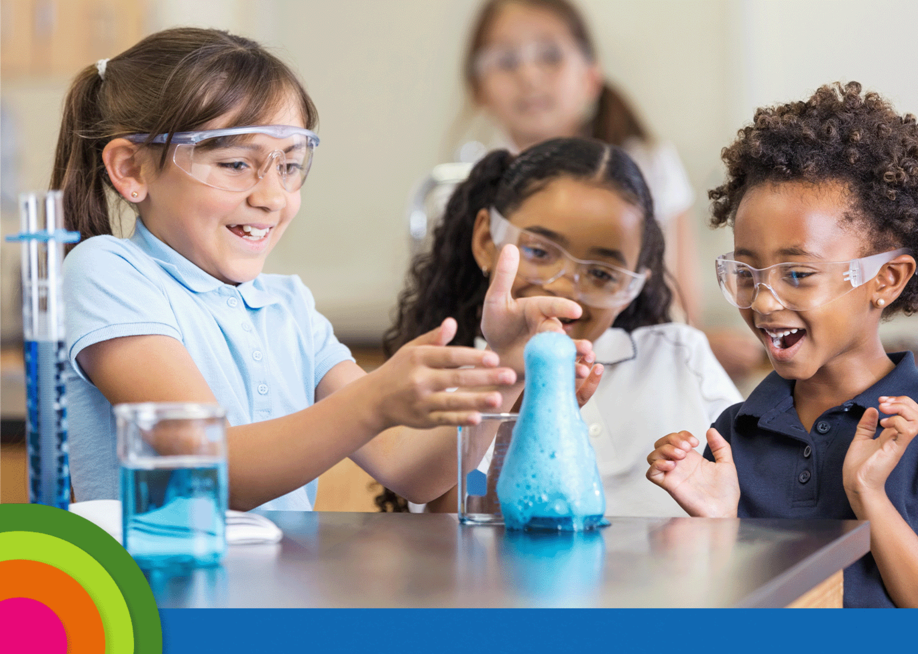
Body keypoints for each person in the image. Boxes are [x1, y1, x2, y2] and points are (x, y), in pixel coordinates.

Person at [55, 27, 594, 512]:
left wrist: (505, 368)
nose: (272, 196)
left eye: (289, 165)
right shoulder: (107, 271)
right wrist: (374, 400)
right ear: (130, 169)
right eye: (236, 164)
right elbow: (215, 469)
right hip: (162, 606)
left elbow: (412, 471)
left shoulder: (287, 306)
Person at [645, 82, 918, 607]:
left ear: (886, 279)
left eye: (799, 273)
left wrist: (869, 498)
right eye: (746, 271)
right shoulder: (732, 435)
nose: (764, 302)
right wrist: (720, 528)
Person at [379, 137, 742, 516]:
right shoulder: (453, 381)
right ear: (488, 240)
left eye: (602, 273)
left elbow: (755, 490)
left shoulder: (679, 356)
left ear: (632, 287)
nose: (565, 289)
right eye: (539, 252)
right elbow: (454, 521)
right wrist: (522, 410)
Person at [457, 0, 763, 379]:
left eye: (550, 56)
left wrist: (695, 346)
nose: (529, 76)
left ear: (590, 76)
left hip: (631, 368)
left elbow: (677, 305)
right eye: (505, 61)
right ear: (478, 87)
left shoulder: (647, 163)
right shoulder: (472, 185)